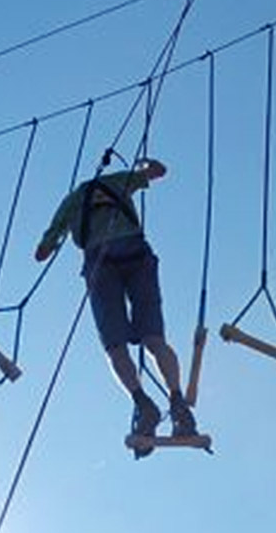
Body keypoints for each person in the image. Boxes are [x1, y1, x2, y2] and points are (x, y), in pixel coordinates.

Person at [34, 155, 197, 454]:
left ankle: (143, 404)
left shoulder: (72, 201)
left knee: (115, 346)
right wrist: (144, 165)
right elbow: (160, 171)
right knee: (154, 339)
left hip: (100, 262)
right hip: (136, 255)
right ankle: (178, 402)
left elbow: (41, 253)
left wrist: (55, 238)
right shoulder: (117, 181)